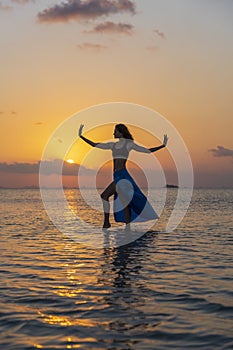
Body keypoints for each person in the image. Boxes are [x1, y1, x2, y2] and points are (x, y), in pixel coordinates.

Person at [78, 123, 168, 231]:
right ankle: (127, 227)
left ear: (121, 132)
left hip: (123, 176)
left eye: (115, 131)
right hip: (117, 175)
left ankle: (107, 223)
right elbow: (95, 144)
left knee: (104, 196)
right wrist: (81, 136)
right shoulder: (113, 145)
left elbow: (147, 151)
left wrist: (162, 146)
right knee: (124, 201)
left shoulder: (129, 145)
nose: (113, 133)